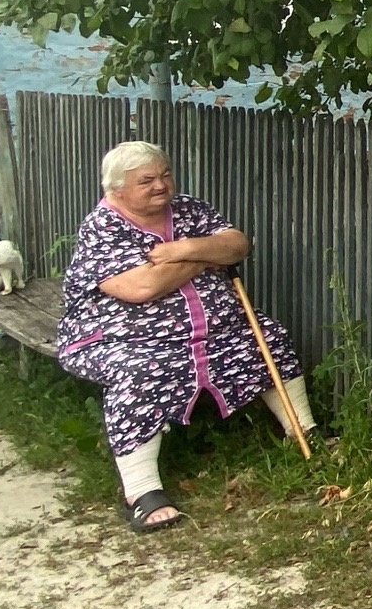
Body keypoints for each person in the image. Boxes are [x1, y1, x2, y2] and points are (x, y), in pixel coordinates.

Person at [58, 141, 315, 531]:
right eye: (147, 180)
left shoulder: (190, 209)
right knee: (139, 373)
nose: (161, 185)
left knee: (268, 338)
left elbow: (237, 244)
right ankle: (141, 491)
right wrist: (206, 258)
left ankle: (304, 430)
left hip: (217, 328)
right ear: (117, 189)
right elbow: (143, 288)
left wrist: (183, 250)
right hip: (125, 339)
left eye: (165, 174)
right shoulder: (103, 227)